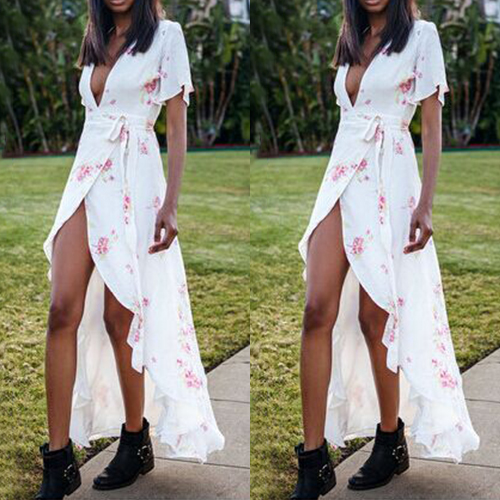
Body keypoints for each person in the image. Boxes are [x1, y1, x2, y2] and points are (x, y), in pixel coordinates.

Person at [291, 0, 479, 498]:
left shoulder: (422, 36)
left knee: (376, 318)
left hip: (391, 178)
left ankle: (391, 439)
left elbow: (431, 125)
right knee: (317, 309)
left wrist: (426, 204)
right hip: (343, 171)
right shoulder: (351, 37)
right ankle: (313, 459)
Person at [37, 1, 224, 498]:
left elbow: (176, 126)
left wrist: (171, 204)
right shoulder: (96, 35)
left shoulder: (167, 36)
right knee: (62, 309)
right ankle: (58, 459)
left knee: (121, 318)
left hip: (136, 178)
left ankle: (136, 439)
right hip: (88, 171)